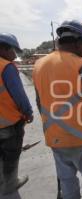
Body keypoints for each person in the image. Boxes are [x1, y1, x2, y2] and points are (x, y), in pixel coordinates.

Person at [32, 20, 82, 199]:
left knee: (66, 180)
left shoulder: (38, 65)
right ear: (77, 42)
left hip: (55, 136)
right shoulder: (81, 64)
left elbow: (39, 101)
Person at [0, 33, 33, 195]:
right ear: (5, 48)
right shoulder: (6, 67)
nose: (15, 55)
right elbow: (19, 96)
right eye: (14, 50)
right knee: (11, 156)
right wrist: (28, 113)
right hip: (7, 124)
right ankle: (11, 184)